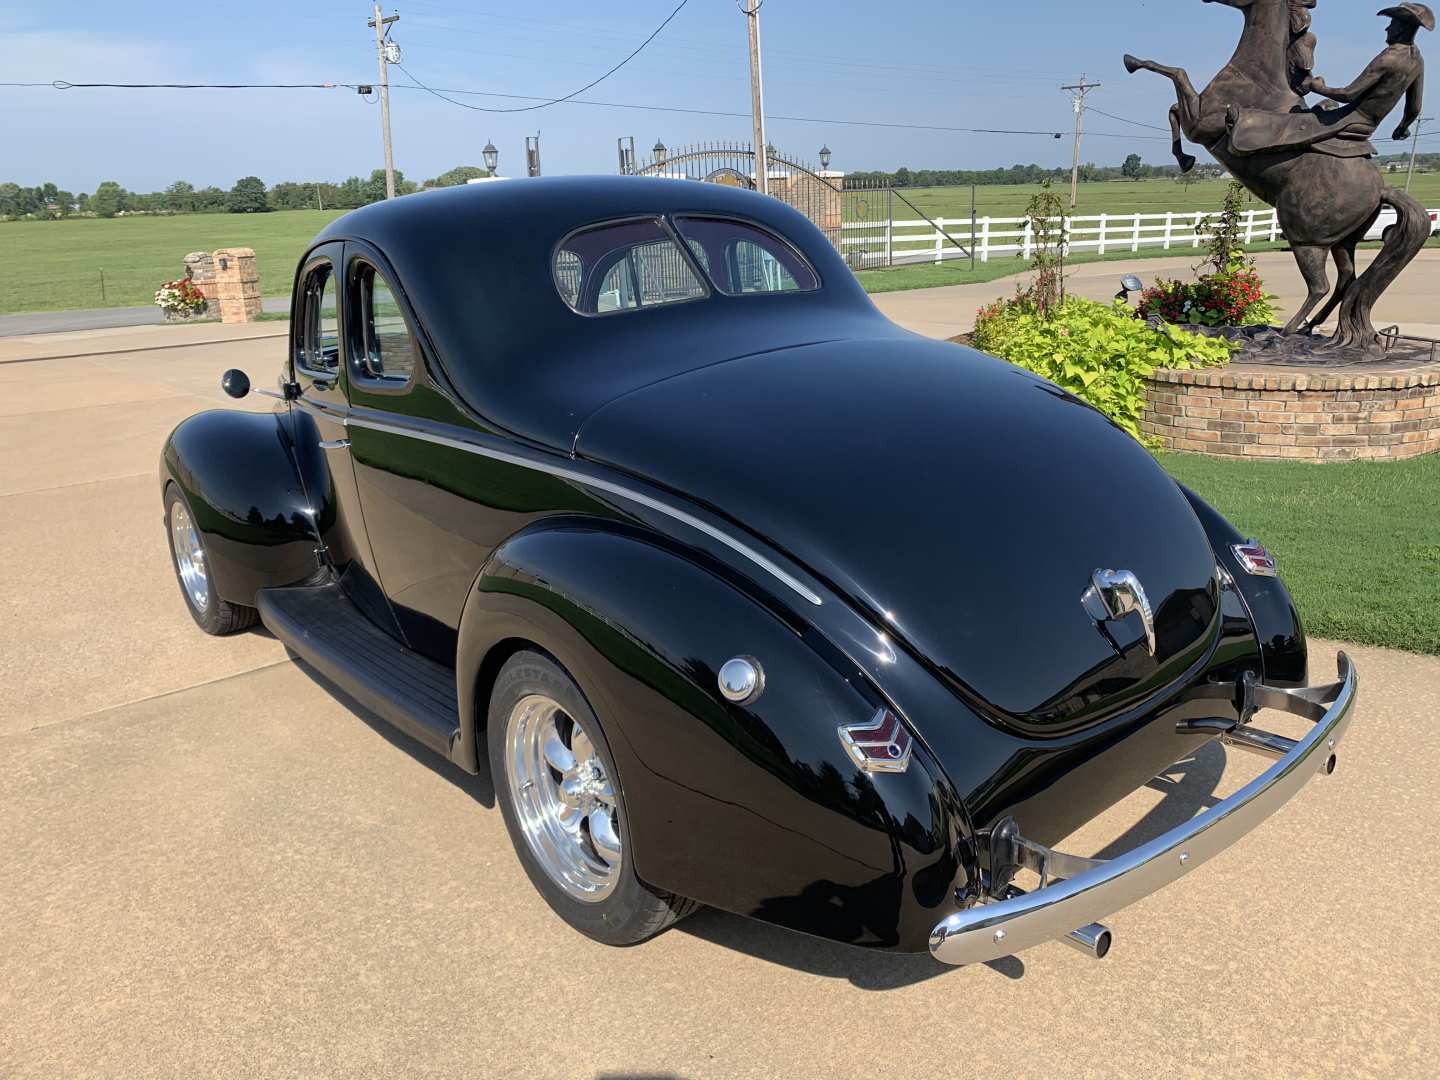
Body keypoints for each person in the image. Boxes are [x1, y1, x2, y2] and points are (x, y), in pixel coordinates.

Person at [1228, 3, 1433, 156]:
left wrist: (1317, 86)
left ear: (1402, 28)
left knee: (1287, 124)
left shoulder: (1388, 58)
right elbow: (1414, 108)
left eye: (1392, 24)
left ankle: (1240, 138)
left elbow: (1348, 94)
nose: (1387, 29)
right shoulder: (1417, 61)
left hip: (1350, 120)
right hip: (1370, 125)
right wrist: (1402, 128)